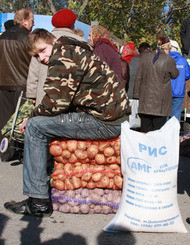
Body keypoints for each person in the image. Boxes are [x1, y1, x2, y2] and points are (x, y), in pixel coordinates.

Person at [4, 28, 130, 217]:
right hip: (111, 117)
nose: (42, 58)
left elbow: (56, 102)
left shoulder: (63, 56)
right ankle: (43, 183)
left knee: (35, 126)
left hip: (105, 122)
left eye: (43, 50)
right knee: (40, 122)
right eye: (37, 56)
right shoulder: (71, 49)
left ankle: (38, 202)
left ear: (52, 41)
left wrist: (30, 117)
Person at [26, 9, 86, 107]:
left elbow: (34, 71)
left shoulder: (42, 40)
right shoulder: (81, 42)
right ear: (72, 24)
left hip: (45, 97)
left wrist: (32, 94)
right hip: (72, 101)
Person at [0, 8, 34, 161]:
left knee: (4, 119)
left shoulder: (2, 37)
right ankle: (21, 153)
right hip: (23, 83)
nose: (33, 24)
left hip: (3, 83)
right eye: (32, 20)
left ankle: (5, 153)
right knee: (21, 120)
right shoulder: (29, 38)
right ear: (24, 20)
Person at [133, 36, 179, 133]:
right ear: (166, 48)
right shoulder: (169, 60)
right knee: (157, 134)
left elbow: (138, 77)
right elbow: (175, 74)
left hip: (145, 102)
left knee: (145, 132)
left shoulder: (145, 58)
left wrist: (136, 95)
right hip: (160, 104)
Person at [169, 40, 190, 122]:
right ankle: (174, 134)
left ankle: (165, 134)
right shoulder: (183, 61)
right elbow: (187, 75)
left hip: (166, 92)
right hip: (179, 92)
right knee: (175, 117)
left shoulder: (166, 59)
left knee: (166, 116)